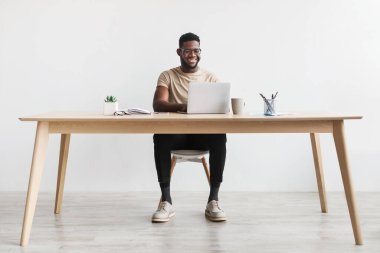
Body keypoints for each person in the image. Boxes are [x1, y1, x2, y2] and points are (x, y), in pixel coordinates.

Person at [152, 32, 227, 222]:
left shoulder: (211, 77)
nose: (192, 54)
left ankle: (213, 200)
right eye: (187, 51)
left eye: (196, 50)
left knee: (219, 135)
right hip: (176, 134)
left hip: (202, 135)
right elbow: (158, 104)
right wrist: (183, 106)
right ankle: (166, 202)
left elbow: (222, 107)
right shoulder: (168, 75)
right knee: (160, 135)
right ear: (179, 52)